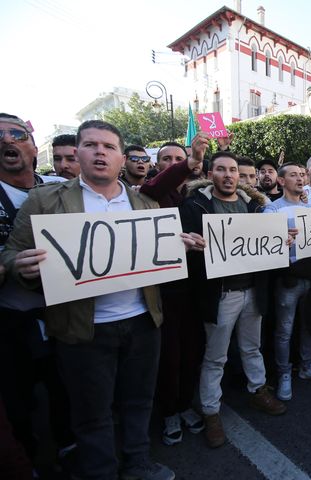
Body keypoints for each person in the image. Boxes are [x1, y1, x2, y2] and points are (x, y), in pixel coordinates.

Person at [1, 120, 201, 480]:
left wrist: (178, 243)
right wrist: (17, 264)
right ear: (77, 153)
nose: (99, 152)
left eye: (109, 147)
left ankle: (138, 463)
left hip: (143, 321)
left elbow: (155, 248)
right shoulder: (44, 200)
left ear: (122, 158)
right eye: (91, 145)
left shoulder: (144, 200)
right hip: (83, 330)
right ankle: (101, 471)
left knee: (138, 401)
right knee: (92, 413)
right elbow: (11, 253)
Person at [180, 151, 285, 449]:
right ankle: (211, 411)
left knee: (252, 347)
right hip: (220, 294)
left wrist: (280, 239)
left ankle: (258, 390)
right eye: (221, 170)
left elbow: (265, 243)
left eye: (233, 170)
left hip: (253, 290)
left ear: (239, 175)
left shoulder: (254, 205)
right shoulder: (195, 205)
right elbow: (182, 247)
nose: (228, 175)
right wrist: (190, 245)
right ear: (210, 173)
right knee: (216, 356)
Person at [0, 114, 74, 474]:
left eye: (16, 133)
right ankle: (26, 458)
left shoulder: (61, 187)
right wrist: (9, 263)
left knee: (66, 385)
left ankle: (68, 446)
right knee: (18, 394)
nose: (7, 141)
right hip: (13, 316)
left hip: (64, 309)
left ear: (32, 144)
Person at [139, 134, 211, 446]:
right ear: (157, 166)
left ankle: (185, 404)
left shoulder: (202, 194)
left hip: (198, 287)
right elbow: (154, 187)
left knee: (194, 351)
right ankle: (169, 410)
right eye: (167, 160)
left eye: (179, 159)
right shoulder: (147, 194)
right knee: (169, 355)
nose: (175, 165)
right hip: (164, 291)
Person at [264, 163, 311, 400]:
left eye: (302, 174)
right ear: (281, 181)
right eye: (293, 175)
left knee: (309, 325)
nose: (300, 178)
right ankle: (284, 374)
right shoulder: (271, 211)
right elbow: (267, 247)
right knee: (284, 329)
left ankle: (307, 366)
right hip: (288, 279)